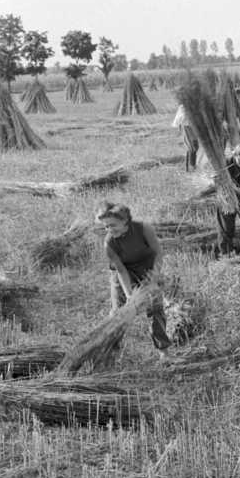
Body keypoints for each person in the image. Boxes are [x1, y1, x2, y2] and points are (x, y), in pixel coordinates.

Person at [96, 202, 171, 352]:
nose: (109, 230)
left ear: (125, 221)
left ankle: (164, 351)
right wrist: (130, 295)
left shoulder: (143, 228)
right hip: (124, 272)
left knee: (155, 307)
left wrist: (154, 275)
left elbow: (158, 253)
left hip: (147, 268)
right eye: (106, 227)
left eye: (113, 225)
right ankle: (111, 349)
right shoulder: (109, 243)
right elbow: (121, 271)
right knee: (118, 311)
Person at [173, 104, 198, 171]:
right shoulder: (185, 103)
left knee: (194, 145)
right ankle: (191, 167)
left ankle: (191, 167)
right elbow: (182, 115)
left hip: (193, 123)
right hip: (186, 123)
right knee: (192, 146)